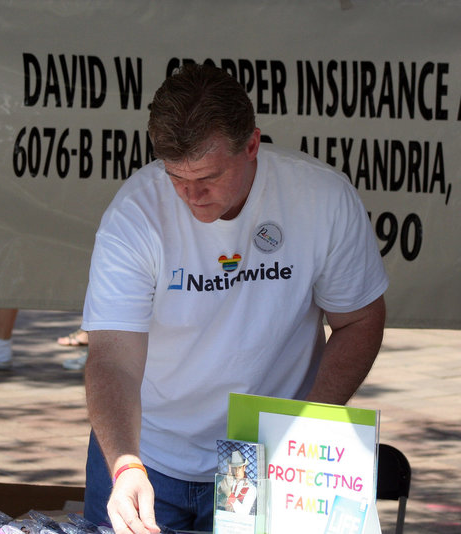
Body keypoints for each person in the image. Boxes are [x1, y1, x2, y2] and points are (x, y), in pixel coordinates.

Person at [82, 63, 388, 533]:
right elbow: (112, 359)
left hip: (264, 451)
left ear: (251, 145)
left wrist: (306, 426)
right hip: (147, 451)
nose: (191, 194)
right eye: (176, 177)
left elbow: (358, 320)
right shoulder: (135, 213)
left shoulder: (318, 196)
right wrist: (125, 465)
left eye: (207, 177)